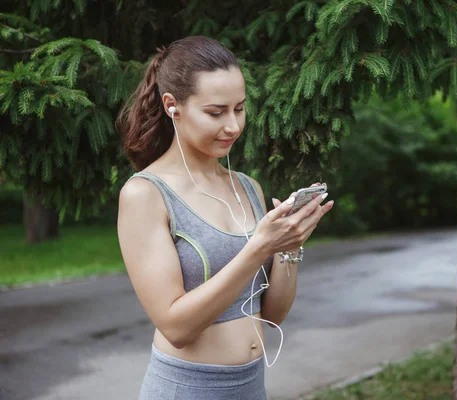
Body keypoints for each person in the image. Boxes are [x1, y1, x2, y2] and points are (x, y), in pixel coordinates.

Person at [116, 35, 334, 400]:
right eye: (216, 112)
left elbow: (271, 317)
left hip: (251, 386)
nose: (232, 125)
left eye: (240, 108)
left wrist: (288, 247)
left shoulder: (248, 187)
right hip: (187, 388)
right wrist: (259, 247)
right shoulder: (146, 194)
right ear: (173, 106)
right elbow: (177, 328)